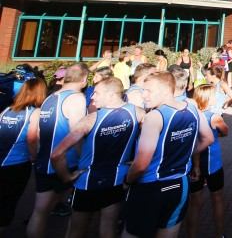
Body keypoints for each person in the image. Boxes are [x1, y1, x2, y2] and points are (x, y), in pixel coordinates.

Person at [121, 71, 214, 238]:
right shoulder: (191, 107)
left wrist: (127, 181)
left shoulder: (154, 117)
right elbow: (208, 138)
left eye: (149, 91)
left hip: (150, 186)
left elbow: (141, 165)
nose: (144, 95)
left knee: (133, 233)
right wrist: (183, 153)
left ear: (165, 91)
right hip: (179, 184)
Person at [51, 77, 144, 238]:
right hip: (116, 180)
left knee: (76, 231)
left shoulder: (89, 120)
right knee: (108, 230)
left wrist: (66, 177)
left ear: (110, 94)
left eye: (96, 93)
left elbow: (56, 153)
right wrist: (137, 159)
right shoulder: (138, 112)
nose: (92, 96)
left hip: (87, 182)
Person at [26, 62, 89, 238]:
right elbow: (76, 133)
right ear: (84, 79)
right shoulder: (77, 98)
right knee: (78, 210)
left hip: (44, 160)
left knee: (41, 210)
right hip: (65, 162)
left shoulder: (50, 97)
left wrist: (39, 155)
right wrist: (84, 158)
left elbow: (39, 132)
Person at [0, 78, 46, 237]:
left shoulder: (7, 109)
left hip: (2, 160)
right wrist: (34, 157)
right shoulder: (35, 112)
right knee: (8, 203)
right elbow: (32, 138)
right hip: (17, 163)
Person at [186, 84, 229, 238]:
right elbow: (225, 131)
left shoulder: (191, 115)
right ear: (209, 98)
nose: (217, 96)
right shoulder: (214, 117)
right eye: (214, 94)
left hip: (193, 164)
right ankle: (219, 235)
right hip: (212, 163)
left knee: (195, 203)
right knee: (217, 200)